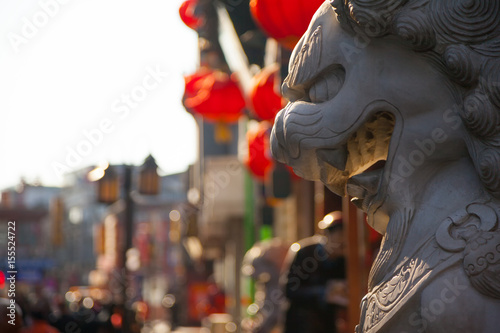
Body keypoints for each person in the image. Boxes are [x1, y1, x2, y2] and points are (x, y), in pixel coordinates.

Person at [281, 211, 347, 333]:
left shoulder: (344, 260)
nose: (343, 245)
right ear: (326, 235)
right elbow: (289, 289)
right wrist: (324, 292)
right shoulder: (304, 253)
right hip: (301, 324)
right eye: (340, 240)